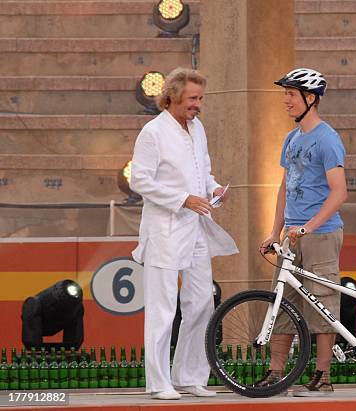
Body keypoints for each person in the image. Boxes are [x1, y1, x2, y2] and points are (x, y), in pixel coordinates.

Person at [130, 67, 238, 400]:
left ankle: (189, 376)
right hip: (164, 229)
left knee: (202, 302)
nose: (198, 105)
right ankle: (159, 382)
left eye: (200, 98)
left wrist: (213, 187)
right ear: (174, 96)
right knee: (162, 308)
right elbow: (140, 180)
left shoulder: (197, 127)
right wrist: (183, 199)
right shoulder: (152, 132)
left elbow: (201, 169)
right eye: (193, 98)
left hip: (196, 229)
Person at [259, 68, 348, 396]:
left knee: (323, 303)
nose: (286, 100)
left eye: (291, 94)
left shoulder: (327, 139)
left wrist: (308, 227)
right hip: (292, 237)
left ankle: (323, 374)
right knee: (282, 301)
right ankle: (277, 372)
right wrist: (274, 231)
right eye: (285, 94)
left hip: (321, 234)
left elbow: (339, 192)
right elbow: (285, 187)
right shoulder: (291, 138)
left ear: (310, 99)